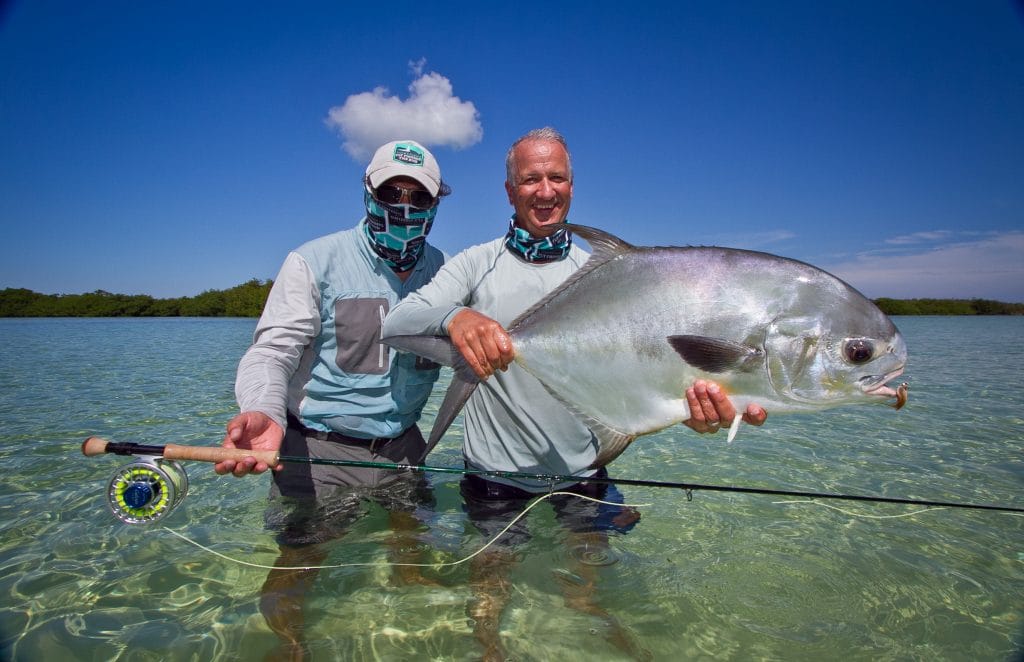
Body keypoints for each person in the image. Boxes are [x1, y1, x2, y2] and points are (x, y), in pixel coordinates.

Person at [382, 127, 767, 660]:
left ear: (572, 185)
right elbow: (399, 319)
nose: (545, 191)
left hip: (584, 469)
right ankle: (488, 649)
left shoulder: (605, 273)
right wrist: (457, 316)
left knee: (586, 593)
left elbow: (640, 372)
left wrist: (693, 409)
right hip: (495, 473)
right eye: (531, 178)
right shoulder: (476, 263)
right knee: (489, 590)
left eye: (556, 177)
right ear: (509, 189)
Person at [214, 139, 451, 660]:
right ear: (368, 193)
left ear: (437, 203)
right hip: (318, 447)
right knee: (300, 559)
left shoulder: (447, 272)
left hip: (404, 447)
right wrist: (263, 412)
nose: (405, 207)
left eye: (419, 196)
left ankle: (415, 608)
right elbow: (271, 353)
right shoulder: (313, 260)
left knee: (413, 538)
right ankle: (289, 645)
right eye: (393, 192)